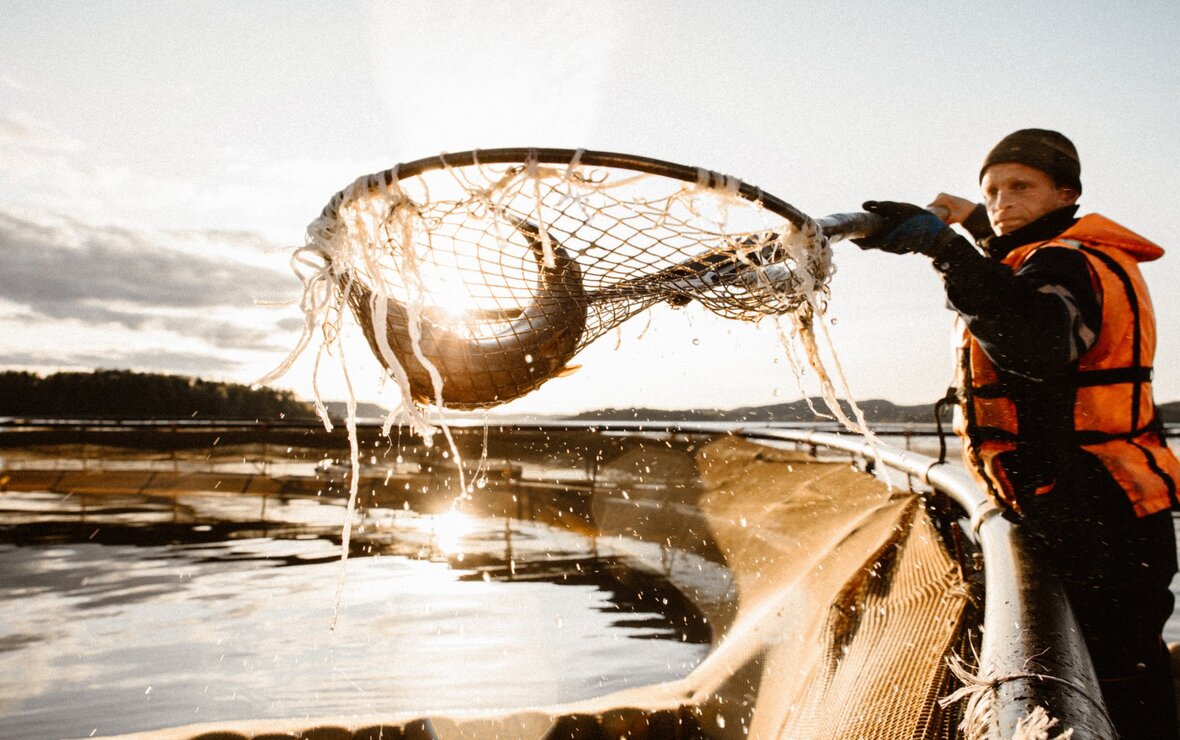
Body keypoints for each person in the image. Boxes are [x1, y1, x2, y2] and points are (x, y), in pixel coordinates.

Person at [853, 128, 1180, 739]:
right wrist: (974, 223)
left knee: (1115, 684)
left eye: (1021, 187)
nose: (1003, 200)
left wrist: (945, 250)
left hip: (1098, 516)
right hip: (1108, 505)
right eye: (993, 189)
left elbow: (1035, 339)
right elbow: (1016, 263)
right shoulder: (1064, 253)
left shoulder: (1065, 261)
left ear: (1066, 193)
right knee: (1126, 671)